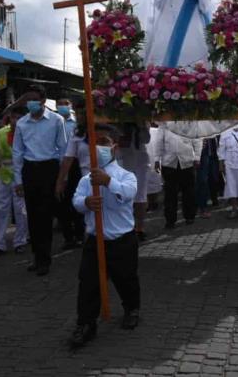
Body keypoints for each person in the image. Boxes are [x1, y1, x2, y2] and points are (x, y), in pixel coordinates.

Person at [71, 124, 140, 348]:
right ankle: (86, 323)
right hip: (94, 239)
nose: (98, 147)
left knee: (126, 278)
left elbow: (128, 193)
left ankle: (132, 308)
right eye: (95, 143)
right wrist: (86, 202)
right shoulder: (85, 179)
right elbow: (77, 200)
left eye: (103, 142)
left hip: (121, 239)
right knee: (88, 283)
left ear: (114, 147)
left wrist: (108, 182)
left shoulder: (126, 176)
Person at [12, 84, 67, 276]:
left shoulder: (56, 120)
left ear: (43, 101)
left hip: (49, 170)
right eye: (28, 100)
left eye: (34, 99)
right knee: (32, 217)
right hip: (30, 171)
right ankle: (37, 256)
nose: (30, 103)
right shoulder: (22, 123)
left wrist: (61, 178)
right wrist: (17, 181)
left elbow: (63, 150)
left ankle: (45, 259)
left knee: (45, 216)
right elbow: (17, 153)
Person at [0, 107, 28, 256]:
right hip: (3, 175)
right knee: (1, 210)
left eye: (19, 117)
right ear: (9, 118)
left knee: (21, 210)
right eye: (13, 117)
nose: (16, 121)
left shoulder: (27, 133)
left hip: (20, 175)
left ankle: (20, 241)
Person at [55, 101, 91, 250]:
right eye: (79, 113)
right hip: (83, 176)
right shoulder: (77, 131)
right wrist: (61, 180)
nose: (81, 116)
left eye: (83, 113)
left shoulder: (102, 129)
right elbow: (68, 157)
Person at [154, 124, 202, 228]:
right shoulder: (164, 124)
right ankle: (170, 220)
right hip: (169, 162)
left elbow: (197, 139)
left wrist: (197, 157)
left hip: (187, 161)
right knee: (170, 193)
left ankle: (190, 216)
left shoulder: (189, 122)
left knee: (189, 191)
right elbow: (159, 142)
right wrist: (157, 159)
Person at [117, 124, 151, 240]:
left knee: (140, 197)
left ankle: (139, 228)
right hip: (123, 162)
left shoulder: (141, 126)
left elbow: (146, 139)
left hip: (140, 162)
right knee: (124, 197)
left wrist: (141, 126)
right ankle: (127, 226)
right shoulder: (117, 126)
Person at [217, 125, 238, 218]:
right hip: (230, 164)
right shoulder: (225, 132)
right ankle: (234, 208)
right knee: (231, 187)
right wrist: (221, 165)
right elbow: (221, 150)